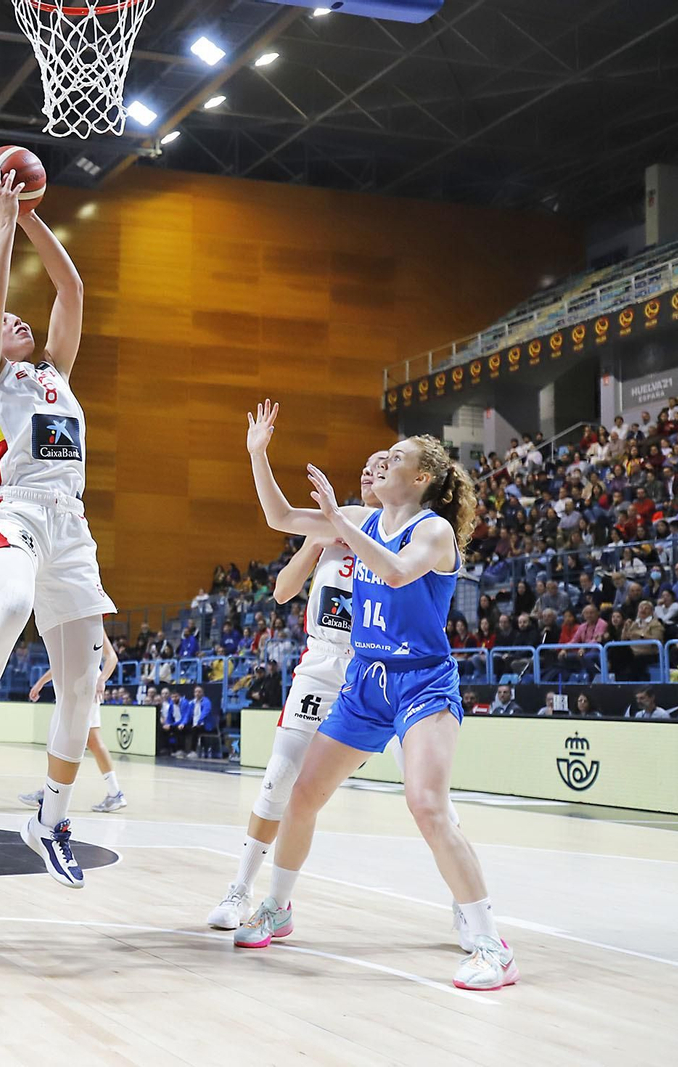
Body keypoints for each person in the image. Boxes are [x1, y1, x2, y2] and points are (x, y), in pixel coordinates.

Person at [238, 400, 513, 992]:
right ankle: (278, 907)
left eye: (395, 459)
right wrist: (259, 455)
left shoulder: (433, 531)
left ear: (420, 479)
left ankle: (491, 944)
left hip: (422, 681)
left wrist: (340, 520)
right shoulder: (361, 518)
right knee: (303, 794)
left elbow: (392, 574)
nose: (382, 464)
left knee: (427, 805)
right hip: (365, 679)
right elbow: (281, 517)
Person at [0, 169, 116, 889]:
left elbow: (73, 292)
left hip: (72, 524)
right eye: (5, 323)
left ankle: (52, 819)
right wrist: (0, 226)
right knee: (7, 606)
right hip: (14, 508)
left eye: (16, 323)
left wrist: (32, 215)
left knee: (82, 690)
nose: (15, 321)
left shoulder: (55, 373)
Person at [19, 631, 125, 813]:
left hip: (84, 685)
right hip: (78, 683)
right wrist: (41, 683)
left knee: (63, 738)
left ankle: (49, 792)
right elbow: (64, 663)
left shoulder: (92, 624)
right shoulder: (73, 623)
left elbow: (112, 657)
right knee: (91, 741)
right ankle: (114, 792)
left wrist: (101, 680)